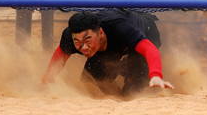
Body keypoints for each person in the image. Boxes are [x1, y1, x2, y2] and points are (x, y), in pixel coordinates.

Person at [42, 10, 174, 96]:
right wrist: (47, 79)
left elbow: (149, 49)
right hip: (108, 49)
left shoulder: (120, 28)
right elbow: (60, 56)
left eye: (88, 40)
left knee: (131, 93)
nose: (83, 47)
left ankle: (127, 66)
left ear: (101, 33)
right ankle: (120, 66)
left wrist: (156, 75)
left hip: (144, 34)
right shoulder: (70, 36)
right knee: (89, 88)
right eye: (78, 42)